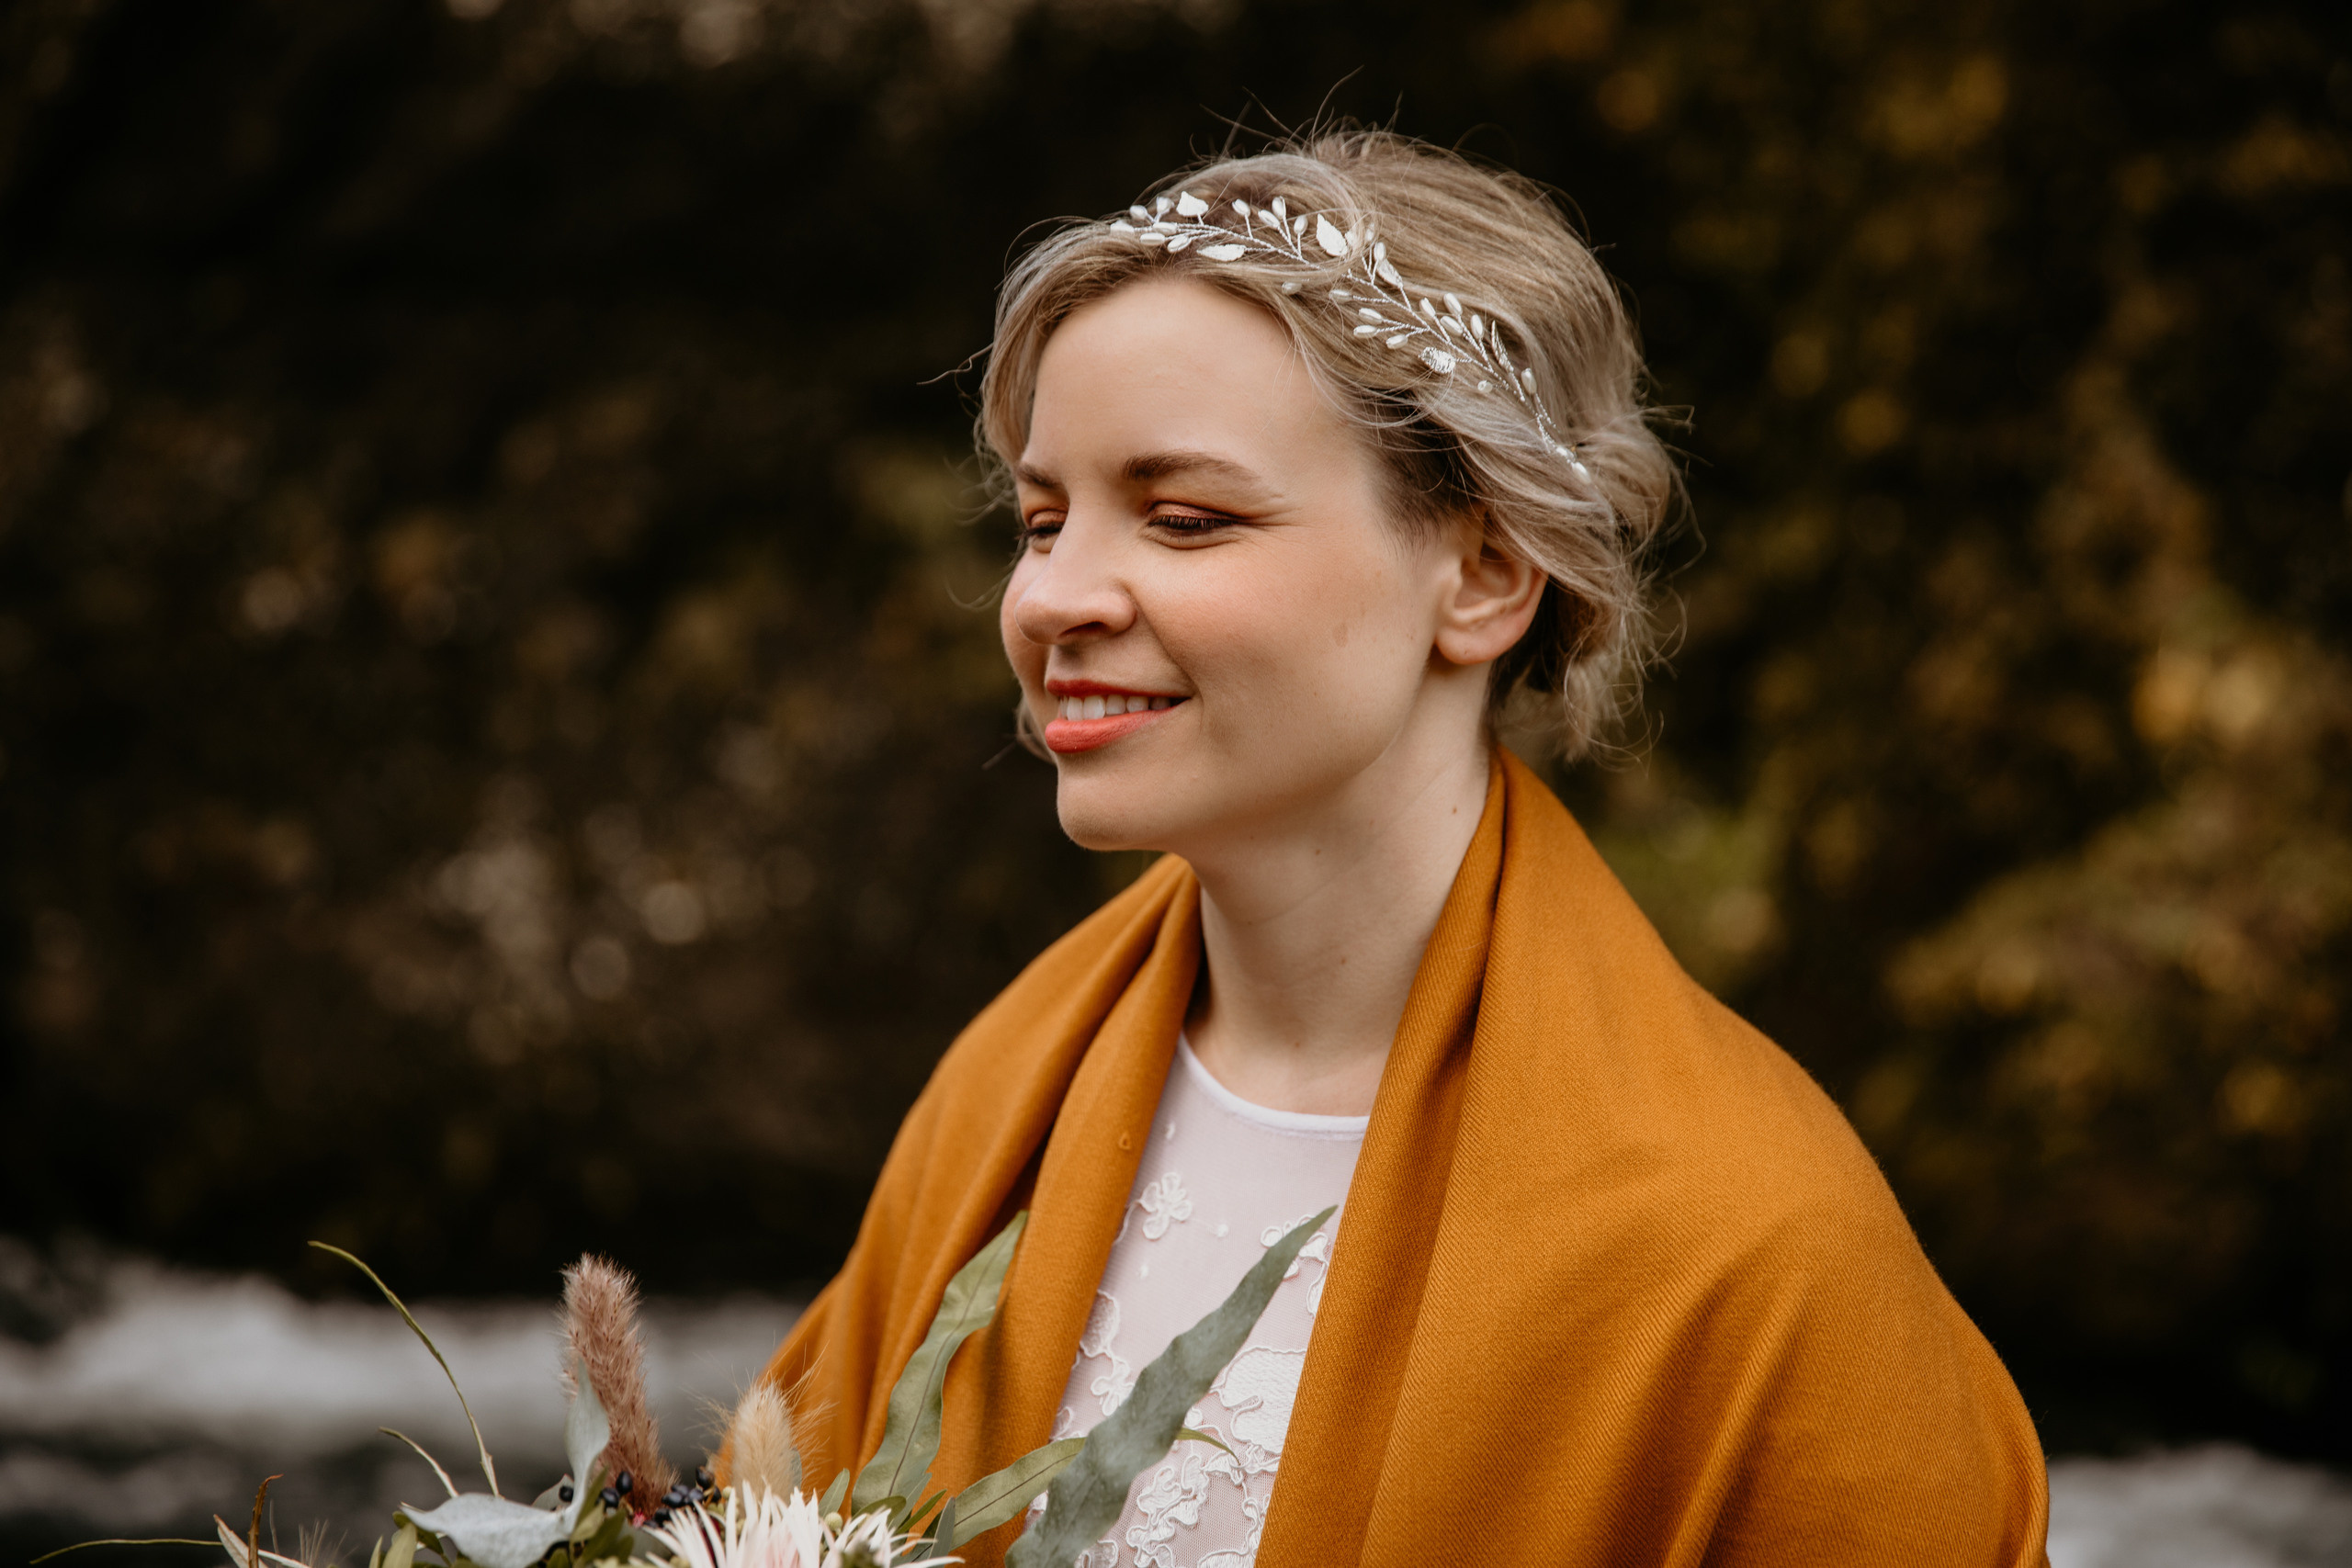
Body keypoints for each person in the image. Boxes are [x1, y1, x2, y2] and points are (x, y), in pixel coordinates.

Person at [751, 130, 2051, 1568]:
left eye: (1184, 519)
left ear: (1486, 573)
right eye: (1041, 517)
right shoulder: (1006, 1084)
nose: (1054, 594)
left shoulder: (1753, 1247)